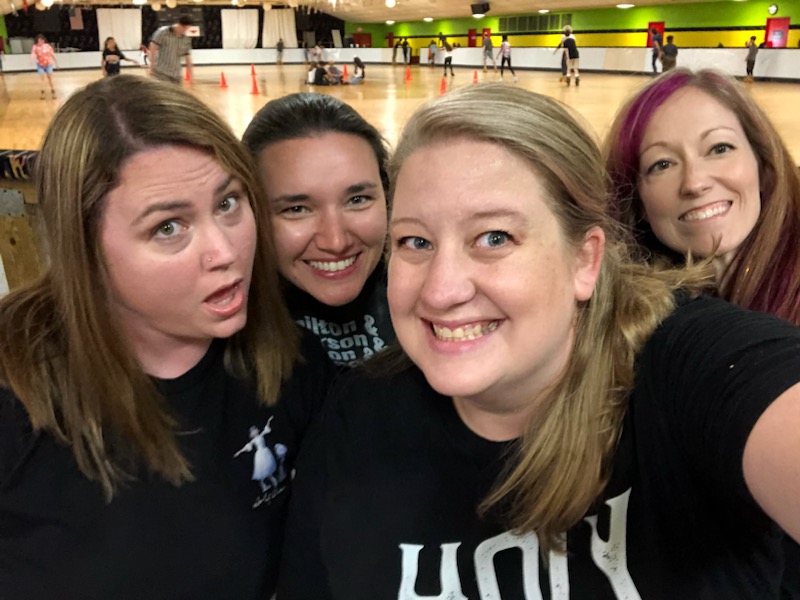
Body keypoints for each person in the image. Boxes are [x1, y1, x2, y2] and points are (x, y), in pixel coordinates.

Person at [277, 83, 800, 598]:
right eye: (416, 241)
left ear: (585, 260)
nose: (440, 291)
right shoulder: (355, 419)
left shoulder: (689, 370)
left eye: (494, 238)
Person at [0, 75, 332, 598]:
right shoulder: (14, 392)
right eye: (168, 227)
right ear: (85, 250)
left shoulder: (291, 364)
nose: (225, 252)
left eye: (228, 203)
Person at [605, 67, 800, 325]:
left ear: (763, 166)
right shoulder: (633, 319)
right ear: (637, 202)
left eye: (719, 148)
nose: (695, 183)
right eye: (662, 164)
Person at [242, 94, 394, 367]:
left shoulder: (430, 296)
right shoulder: (224, 335)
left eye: (357, 200)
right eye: (297, 209)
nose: (336, 242)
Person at [148, 14, 193, 84]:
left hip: (176, 75)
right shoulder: (163, 32)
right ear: (179, 25)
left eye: (187, 28)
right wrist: (152, 64)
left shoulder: (186, 39)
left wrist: (191, 75)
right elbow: (153, 47)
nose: (185, 31)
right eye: (184, 28)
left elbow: (188, 58)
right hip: (161, 73)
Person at [30, 34, 58, 100]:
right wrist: (31, 59)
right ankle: (42, 93)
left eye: (42, 40)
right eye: (40, 40)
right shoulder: (35, 47)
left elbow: (52, 54)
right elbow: (33, 53)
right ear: (37, 41)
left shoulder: (47, 46)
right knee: (42, 79)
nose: (41, 42)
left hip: (48, 64)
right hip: (40, 65)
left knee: (50, 79)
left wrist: (56, 63)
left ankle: (53, 92)